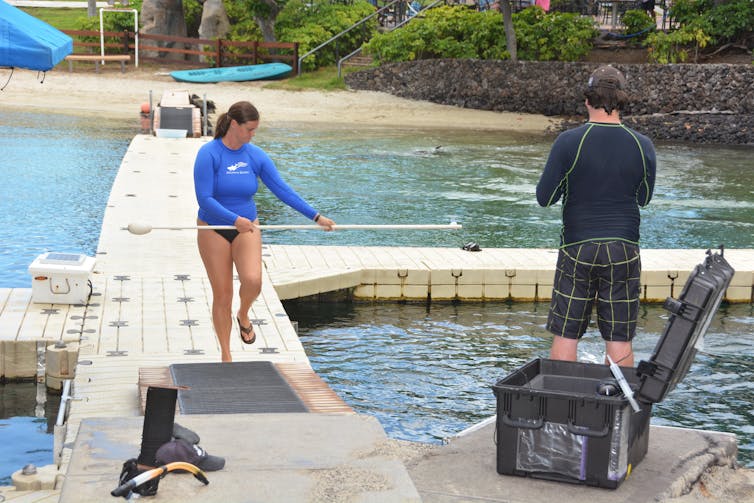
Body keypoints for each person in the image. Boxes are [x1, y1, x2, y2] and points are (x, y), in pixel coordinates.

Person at [194, 101, 335, 362]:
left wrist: (315, 216)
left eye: (255, 130)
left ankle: (243, 314)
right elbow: (204, 199)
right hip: (213, 227)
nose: (252, 135)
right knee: (222, 294)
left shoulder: (255, 155)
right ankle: (226, 356)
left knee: (253, 280)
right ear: (234, 125)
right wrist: (233, 219)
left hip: (246, 226)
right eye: (249, 129)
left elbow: (283, 190)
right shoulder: (209, 154)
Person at [535, 65, 656, 368]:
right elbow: (643, 198)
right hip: (623, 248)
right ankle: (619, 410)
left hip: (578, 246)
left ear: (587, 100)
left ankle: (562, 406)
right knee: (618, 337)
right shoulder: (643, 146)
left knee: (566, 333)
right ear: (622, 101)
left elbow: (545, 198)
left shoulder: (568, 142)